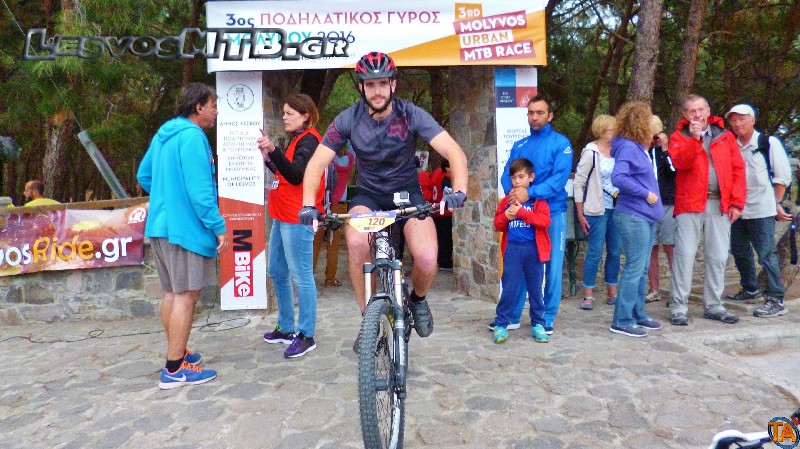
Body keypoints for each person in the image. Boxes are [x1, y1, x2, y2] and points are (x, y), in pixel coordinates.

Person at [298, 52, 468, 341]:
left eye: (382, 83)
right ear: (361, 87)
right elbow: (316, 164)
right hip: (369, 196)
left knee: (427, 258)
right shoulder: (348, 119)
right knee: (356, 242)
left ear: (393, 85)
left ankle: (417, 299)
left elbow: (454, 152)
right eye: (370, 84)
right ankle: (368, 320)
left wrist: (460, 190)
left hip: (407, 195)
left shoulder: (410, 114)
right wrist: (307, 205)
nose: (376, 91)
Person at [137, 82, 230, 389]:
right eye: (213, 105)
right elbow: (201, 192)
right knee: (186, 295)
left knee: (172, 293)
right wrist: (218, 226)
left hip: (160, 226)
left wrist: (167, 194)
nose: (216, 111)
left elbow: (144, 175)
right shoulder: (192, 137)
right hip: (184, 229)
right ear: (198, 107)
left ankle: (179, 353)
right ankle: (174, 368)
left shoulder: (165, 133)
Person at [496, 95, 573, 335]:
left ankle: (546, 317)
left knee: (552, 266)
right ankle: (512, 316)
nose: (534, 117)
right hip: (522, 214)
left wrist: (530, 193)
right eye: (530, 112)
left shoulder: (561, 144)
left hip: (553, 212)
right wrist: (513, 195)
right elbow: (506, 175)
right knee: (519, 264)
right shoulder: (520, 145)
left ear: (550, 116)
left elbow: (559, 180)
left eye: (539, 112)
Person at [668, 94, 746, 326]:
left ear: (708, 111)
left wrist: (737, 203)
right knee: (684, 256)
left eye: (701, 109)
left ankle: (714, 305)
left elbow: (738, 170)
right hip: (689, 203)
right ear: (685, 115)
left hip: (719, 203)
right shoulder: (679, 137)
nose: (697, 115)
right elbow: (681, 163)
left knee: (718, 256)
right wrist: (695, 139)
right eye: (692, 111)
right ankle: (678, 307)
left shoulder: (725, 136)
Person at [258, 93, 325, 358]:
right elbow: (285, 174)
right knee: (276, 270)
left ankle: (306, 334)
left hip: (298, 217)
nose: (284, 117)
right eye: (284, 112)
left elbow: (297, 176)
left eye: (289, 113)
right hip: (282, 215)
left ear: (305, 115)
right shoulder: (298, 140)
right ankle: (286, 327)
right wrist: (269, 158)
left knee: (301, 275)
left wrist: (274, 150)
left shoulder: (310, 140)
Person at [724, 104, 791, 318]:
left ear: (753, 120)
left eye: (742, 119)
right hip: (737, 208)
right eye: (733, 120)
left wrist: (776, 203)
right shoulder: (731, 145)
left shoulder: (768, 143)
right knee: (739, 251)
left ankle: (776, 298)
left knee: (766, 254)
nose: (737, 124)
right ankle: (750, 288)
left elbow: (782, 177)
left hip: (762, 208)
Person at [609, 101, 664, 337]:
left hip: (644, 215)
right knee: (634, 267)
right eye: (648, 119)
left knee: (641, 268)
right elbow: (618, 177)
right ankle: (622, 320)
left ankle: (637, 313)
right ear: (641, 123)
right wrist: (645, 194)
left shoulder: (637, 147)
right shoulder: (628, 148)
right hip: (634, 215)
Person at [492, 158, 551, 343]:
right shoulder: (506, 201)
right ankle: (501, 324)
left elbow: (544, 221)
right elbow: (497, 224)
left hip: (534, 249)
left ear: (531, 177)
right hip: (513, 249)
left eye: (521, 177)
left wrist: (522, 213)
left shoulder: (538, 201)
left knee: (535, 289)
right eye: (513, 177)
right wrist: (506, 216)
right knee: (509, 287)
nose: (517, 181)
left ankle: (538, 324)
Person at [573, 114, 621, 310]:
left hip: (617, 208)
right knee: (594, 251)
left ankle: (612, 291)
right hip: (596, 209)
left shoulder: (618, 151)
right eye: (612, 129)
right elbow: (578, 183)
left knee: (615, 251)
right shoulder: (591, 152)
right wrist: (580, 213)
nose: (615, 133)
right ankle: (588, 294)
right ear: (602, 131)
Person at [313, 145, 355, 287]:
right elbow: (354, 147)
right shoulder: (349, 160)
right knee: (333, 243)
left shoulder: (327, 161)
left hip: (324, 204)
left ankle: (309, 275)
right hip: (340, 206)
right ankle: (330, 278)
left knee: (316, 241)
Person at [646, 116, 676, 303]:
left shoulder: (667, 151)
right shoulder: (642, 152)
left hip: (667, 203)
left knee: (670, 245)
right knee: (651, 247)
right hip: (648, 206)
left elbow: (674, 171)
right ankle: (654, 288)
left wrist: (665, 150)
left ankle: (678, 289)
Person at [431, 158, 454, 269]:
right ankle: (444, 262)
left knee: (441, 238)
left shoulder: (437, 176)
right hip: (444, 213)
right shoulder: (446, 180)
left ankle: (442, 260)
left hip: (437, 212)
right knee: (446, 239)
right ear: (447, 168)